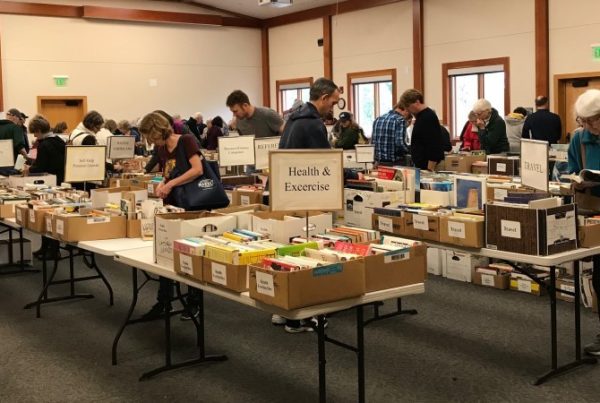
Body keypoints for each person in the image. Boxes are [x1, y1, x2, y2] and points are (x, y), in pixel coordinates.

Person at [278, 77, 360, 333]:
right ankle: (301, 315)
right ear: (323, 98)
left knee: (289, 248)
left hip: (288, 192)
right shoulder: (313, 124)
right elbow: (326, 163)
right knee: (309, 252)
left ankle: (283, 309)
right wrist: (351, 175)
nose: (333, 108)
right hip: (308, 194)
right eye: (333, 102)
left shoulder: (292, 120)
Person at [139, 111, 204, 321]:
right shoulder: (161, 148)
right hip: (171, 205)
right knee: (165, 252)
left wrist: (171, 183)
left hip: (190, 205)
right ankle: (164, 301)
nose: (152, 141)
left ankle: (194, 302)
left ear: (159, 130)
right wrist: (161, 184)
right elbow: (168, 173)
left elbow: (197, 170)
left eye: (153, 136)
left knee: (190, 255)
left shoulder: (186, 141)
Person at [566, 89, 600, 356]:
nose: (588, 127)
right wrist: (575, 179)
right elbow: (571, 169)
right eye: (583, 121)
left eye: (594, 121)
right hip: (595, 214)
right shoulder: (579, 139)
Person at [24, 115, 65, 260]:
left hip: (47, 185)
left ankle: (51, 250)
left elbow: (40, 167)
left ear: (40, 130)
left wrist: (29, 169)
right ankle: (49, 248)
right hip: (61, 183)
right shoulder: (60, 141)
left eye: (34, 132)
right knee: (53, 216)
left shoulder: (44, 144)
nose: (34, 135)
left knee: (46, 216)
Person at [400, 89, 445, 170]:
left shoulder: (427, 117)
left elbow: (434, 144)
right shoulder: (421, 117)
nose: (408, 110)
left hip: (429, 167)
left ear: (417, 102)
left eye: (408, 106)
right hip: (422, 166)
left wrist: (430, 169)